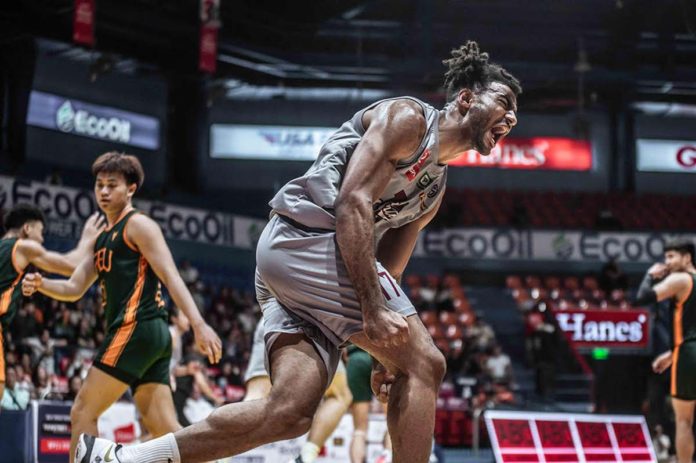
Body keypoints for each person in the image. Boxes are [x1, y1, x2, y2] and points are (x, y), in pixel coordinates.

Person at [73, 40, 520, 463]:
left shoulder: (434, 190)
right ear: (465, 98)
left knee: (289, 412)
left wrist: (388, 354)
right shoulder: (409, 120)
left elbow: (390, 273)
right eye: (504, 103)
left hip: (304, 269)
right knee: (428, 363)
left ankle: (122, 456)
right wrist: (378, 323)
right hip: (308, 239)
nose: (512, 118)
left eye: (516, 113)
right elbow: (352, 203)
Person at [21, 152, 223, 462]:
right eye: (99, 185)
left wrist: (198, 323)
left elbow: (171, 276)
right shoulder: (102, 238)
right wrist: (42, 284)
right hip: (150, 336)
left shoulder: (138, 225)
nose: (103, 192)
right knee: (164, 428)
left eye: (111, 185)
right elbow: (74, 288)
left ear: (131, 188)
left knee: (82, 411)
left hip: (136, 327)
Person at [0, 203, 102, 403]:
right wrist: (87, 239)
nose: (42, 239)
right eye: (41, 232)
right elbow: (71, 265)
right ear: (27, 229)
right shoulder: (22, 246)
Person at [243, 319, 353, 463]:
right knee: (340, 395)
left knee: (256, 396)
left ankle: (220, 453)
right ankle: (304, 458)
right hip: (313, 320)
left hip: (270, 318)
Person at [639, 240, 696, 463]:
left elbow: (643, 298)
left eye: (672, 257)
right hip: (684, 351)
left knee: (683, 420)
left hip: (688, 353)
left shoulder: (680, 281)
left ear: (687, 258)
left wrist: (649, 276)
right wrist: (672, 354)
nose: (667, 262)